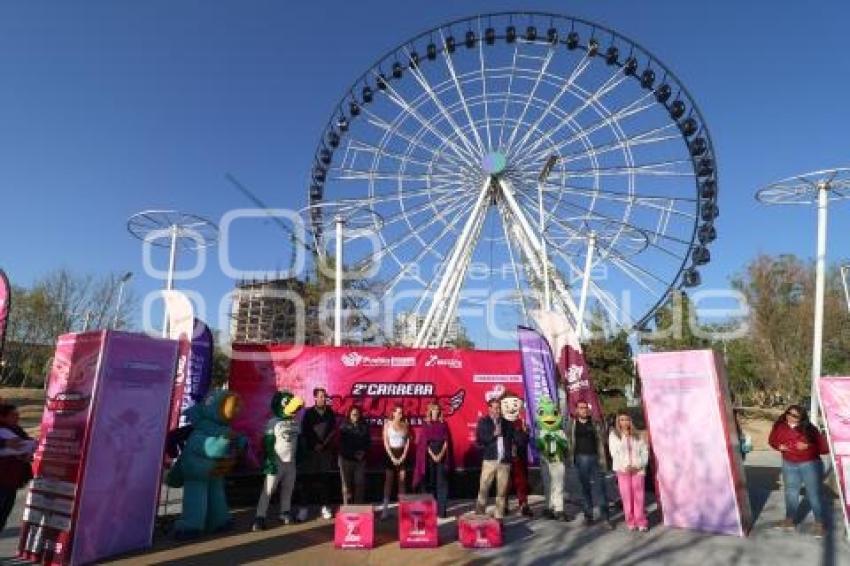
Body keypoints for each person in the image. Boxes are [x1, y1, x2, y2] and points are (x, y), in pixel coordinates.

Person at [768, 404, 829, 537]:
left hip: (810, 464)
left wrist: (808, 446)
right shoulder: (779, 426)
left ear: (801, 418)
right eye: (789, 413)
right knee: (790, 493)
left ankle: (820, 524)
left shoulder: (810, 429)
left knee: (813, 494)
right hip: (789, 464)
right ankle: (789, 520)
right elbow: (771, 440)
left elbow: (824, 448)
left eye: (795, 416)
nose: (790, 417)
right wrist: (779, 446)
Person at [252, 390, 304, 531]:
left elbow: (299, 441)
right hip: (277, 461)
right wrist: (270, 460)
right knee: (268, 490)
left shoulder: (296, 423)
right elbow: (268, 441)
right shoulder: (273, 422)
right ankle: (260, 516)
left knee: (288, 489)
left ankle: (284, 512)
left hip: (290, 463)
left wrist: (299, 457)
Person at [567, 400, 614, 528]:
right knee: (585, 489)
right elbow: (569, 441)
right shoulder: (571, 424)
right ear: (576, 410)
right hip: (580, 459)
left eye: (585, 408)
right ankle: (589, 516)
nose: (584, 410)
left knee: (600, 488)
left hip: (595, 458)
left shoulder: (595, 423)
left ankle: (605, 518)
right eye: (581, 408)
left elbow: (603, 439)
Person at [608, 411, 649, 532]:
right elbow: (614, 453)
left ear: (630, 420)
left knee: (639, 497)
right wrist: (626, 466)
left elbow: (644, 452)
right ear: (618, 422)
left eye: (626, 419)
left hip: (638, 470)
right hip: (623, 470)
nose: (624, 422)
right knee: (627, 497)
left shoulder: (638, 435)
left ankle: (641, 522)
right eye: (621, 420)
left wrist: (638, 465)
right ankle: (630, 521)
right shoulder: (614, 435)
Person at [475, 396, 514, 519]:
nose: (497, 410)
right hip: (490, 460)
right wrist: (493, 434)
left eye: (499, 408)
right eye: (495, 408)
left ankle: (499, 517)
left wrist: (522, 432)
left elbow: (513, 440)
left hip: (504, 461)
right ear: (489, 409)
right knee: (484, 489)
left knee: (501, 492)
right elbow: (481, 439)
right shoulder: (483, 421)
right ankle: (480, 515)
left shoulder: (507, 423)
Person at [301, 387, 337, 520]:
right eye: (320, 396)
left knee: (324, 480)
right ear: (315, 398)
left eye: (324, 396)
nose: (323, 398)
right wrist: (314, 444)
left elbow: (333, 430)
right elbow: (305, 431)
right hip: (311, 452)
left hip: (325, 452)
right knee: (307, 481)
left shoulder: (330, 413)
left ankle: (325, 507)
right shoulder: (309, 413)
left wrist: (324, 444)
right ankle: (304, 509)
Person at [0, 404, 36, 532]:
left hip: (13, 479)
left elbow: (28, 444)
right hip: (2, 478)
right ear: (2, 417)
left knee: (4, 515)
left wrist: (27, 454)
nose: (17, 418)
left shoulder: (18, 430)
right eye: (13, 415)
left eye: (18, 415)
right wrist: (4, 443)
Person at [413, 402, 453, 518]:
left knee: (442, 483)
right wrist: (432, 454)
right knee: (430, 482)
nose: (435, 412)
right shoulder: (426, 424)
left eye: (437, 410)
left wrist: (440, 454)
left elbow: (446, 441)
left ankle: (442, 511)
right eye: (433, 410)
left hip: (442, 456)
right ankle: (430, 510)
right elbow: (424, 443)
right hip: (429, 457)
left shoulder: (443, 424)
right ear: (430, 411)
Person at [500, 393, 532, 517]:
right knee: (505, 482)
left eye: (514, 404)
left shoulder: (521, 422)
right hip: (505, 457)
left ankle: (524, 504)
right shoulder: (500, 423)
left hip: (519, 457)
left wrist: (523, 432)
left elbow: (524, 441)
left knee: (521, 481)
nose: (511, 408)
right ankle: (504, 505)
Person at [381, 404, 411, 519]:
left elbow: (408, 441)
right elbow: (385, 441)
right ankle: (385, 510)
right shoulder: (387, 424)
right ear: (393, 413)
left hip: (402, 453)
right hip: (390, 454)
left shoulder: (405, 424)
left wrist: (403, 455)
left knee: (402, 482)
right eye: (398, 412)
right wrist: (392, 456)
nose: (400, 414)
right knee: (388, 482)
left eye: (401, 412)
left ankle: (402, 510)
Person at [338, 405, 370, 505]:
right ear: (349, 415)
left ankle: (358, 506)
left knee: (359, 483)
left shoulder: (364, 426)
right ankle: (347, 506)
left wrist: (363, 452)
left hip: (360, 461)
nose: (355, 416)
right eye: (353, 414)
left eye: (357, 414)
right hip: (346, 460)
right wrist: (353, 454)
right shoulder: (343, 426)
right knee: (346, 485)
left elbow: (368, 442)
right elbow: (341, 445)